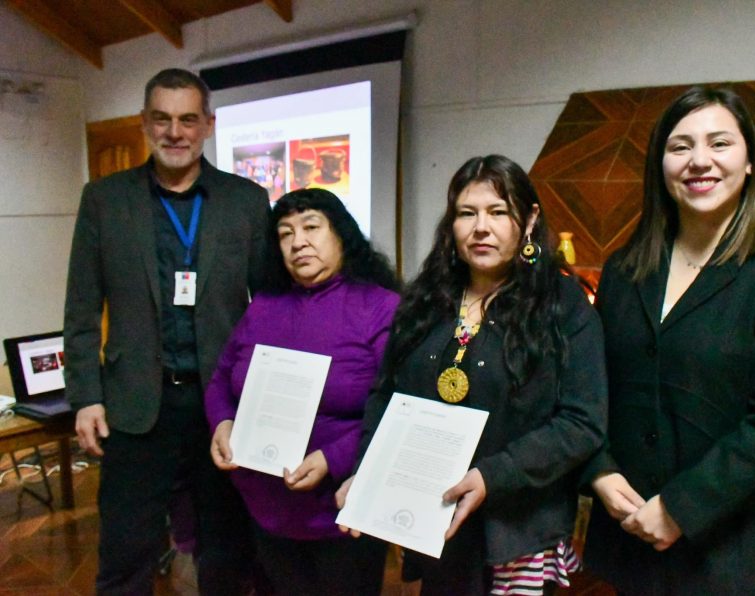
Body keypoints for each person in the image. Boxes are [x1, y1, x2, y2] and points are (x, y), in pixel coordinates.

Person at [581, 86, 755, 595]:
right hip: (632, 543)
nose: (700, 161)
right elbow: (593, 386)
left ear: (749, 163)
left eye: (719, 144)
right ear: (660, 165)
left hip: (732, 554)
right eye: (680, 147)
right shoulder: (624, 269)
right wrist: (598, 470)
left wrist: (680, 508)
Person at [338, 154, 608, 595]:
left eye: (498, 212)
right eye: (467, 213)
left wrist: (490, 476)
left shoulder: (563, 304)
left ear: (529, 219)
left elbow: (582, 423)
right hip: (435, 522)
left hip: (517, 529)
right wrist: (368, 471)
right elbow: (385, 395)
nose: (481, 227)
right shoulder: (426, 300)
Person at [64, 68, 269, 595]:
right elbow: (82, 309)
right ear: (144, 124)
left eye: (187, 120)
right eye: (162, 119)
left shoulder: (245, 201)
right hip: (133, 410)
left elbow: (268, 308)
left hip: (219, 408)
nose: (174, 132)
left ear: (208, 125)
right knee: (125, 555)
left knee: (226, 552)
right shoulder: (104, 200)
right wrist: (86, 396)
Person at [205, 188, 400, 595]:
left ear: (341, 235)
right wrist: (222, 422)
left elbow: (401, 409)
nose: (298, 242)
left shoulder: (381, 307)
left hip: (342, 512)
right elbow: (222, 379)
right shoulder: (263, 306)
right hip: (265, 508)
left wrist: (335, 457)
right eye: (285, 233)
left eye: (312, 227)